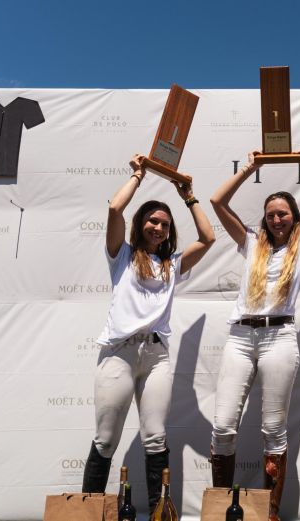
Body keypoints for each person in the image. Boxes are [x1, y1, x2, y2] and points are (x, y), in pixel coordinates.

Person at [82, 155, 216, 512]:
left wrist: (188, 196)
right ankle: (90, 511)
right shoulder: (122, 256)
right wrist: (138, 176)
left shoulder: (172, 266)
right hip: (120, 353)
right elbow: (114, 209)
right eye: (153, 221)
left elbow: (208, 236)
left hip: (157, 356)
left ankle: (160, 514)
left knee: (156, 438)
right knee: (106, 439)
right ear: (141, 224)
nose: (158, 228)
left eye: (165, 224)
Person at [208, 150, 300, 521]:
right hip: (240, 336)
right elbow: (217, 201)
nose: (277, 219)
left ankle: (271, 513)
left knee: (273, 430)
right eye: (271, 215)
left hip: (279, 337)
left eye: (283, 214)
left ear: (295, 218)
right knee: (223, 426)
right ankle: (222, 510)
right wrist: (252, 167)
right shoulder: (251, 243)